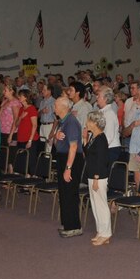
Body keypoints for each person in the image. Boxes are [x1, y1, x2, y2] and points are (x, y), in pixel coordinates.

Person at [53, 97, 85, 237]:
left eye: (56, 104)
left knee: (70, 193)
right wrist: (56, 135)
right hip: (63, 158)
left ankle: (74, 226)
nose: (54, 106)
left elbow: (73, 146)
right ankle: (67, 224)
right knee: (64, 193)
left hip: (70, 160)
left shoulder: (71, 122)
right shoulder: (63, 121)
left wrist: (68, 168)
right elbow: (58, 143)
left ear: (64, 107)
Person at [84, 110, 111, 246]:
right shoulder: (93, 137)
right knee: (95, 205)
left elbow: (101, 160)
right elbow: (89, 155)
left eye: (88, 121)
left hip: (98, 176)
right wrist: (84, 140)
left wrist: (95, 178)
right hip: (92, 174)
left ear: (95, 123)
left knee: (101, 205)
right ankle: (100, 231)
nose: (86, 123)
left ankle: (106, 233)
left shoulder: (101, 139)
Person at [95, 87, 121, 163]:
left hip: (109, 148)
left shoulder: (109, 114)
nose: (96, 98)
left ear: (105, 99)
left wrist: (99, 149)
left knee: (104, 173)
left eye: (98, 96)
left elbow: (109, 136)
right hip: (104, 148)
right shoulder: (102, 112)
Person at [16, 89, 39, 162]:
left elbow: (34, 125)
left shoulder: (31, 108)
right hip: (21, 137)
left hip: (29, 138)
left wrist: (30, 140)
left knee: (30, 160)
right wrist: (20, 117)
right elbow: (16, 124)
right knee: (22, 160)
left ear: (26, 97)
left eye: (20, 96)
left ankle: (31, 173)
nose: (18, 97)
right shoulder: (21, 109)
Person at [38, 84, 56, 153]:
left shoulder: (54, 102)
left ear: (49, 91)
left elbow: (56, 118)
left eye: (44, 90)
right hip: (42, 125)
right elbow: (38, 115)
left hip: (50, 126)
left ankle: (48, 162)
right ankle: (44, 162)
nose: (42, 91)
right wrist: (42, 111)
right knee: (43, 147)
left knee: (49, 147)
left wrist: (52, 131)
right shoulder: (42, 101)